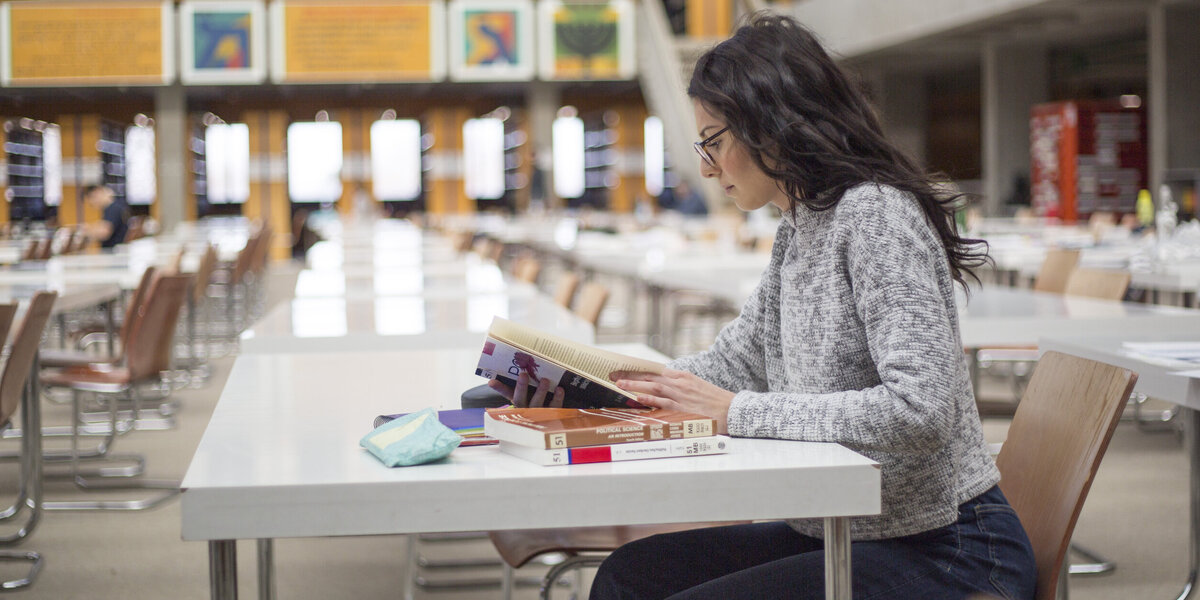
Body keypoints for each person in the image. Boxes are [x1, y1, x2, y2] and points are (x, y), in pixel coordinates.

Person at [489, 13, 1037, 600]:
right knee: (628, 576)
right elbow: (737, 361)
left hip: (950, 547)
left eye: (713, 141)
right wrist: (602, 386)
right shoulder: (800, 226)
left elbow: (920, 410)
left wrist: (737, 413)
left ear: (773, 124)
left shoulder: (877, 216)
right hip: (845, 525)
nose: (705, 166)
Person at [82, 184, 129, 249]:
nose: (93, 204)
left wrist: (88, 231)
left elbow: (104, 232)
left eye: (92, 198)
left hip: (113, 252)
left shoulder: (112, 209)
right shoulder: (112, 208)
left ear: (97, 192)